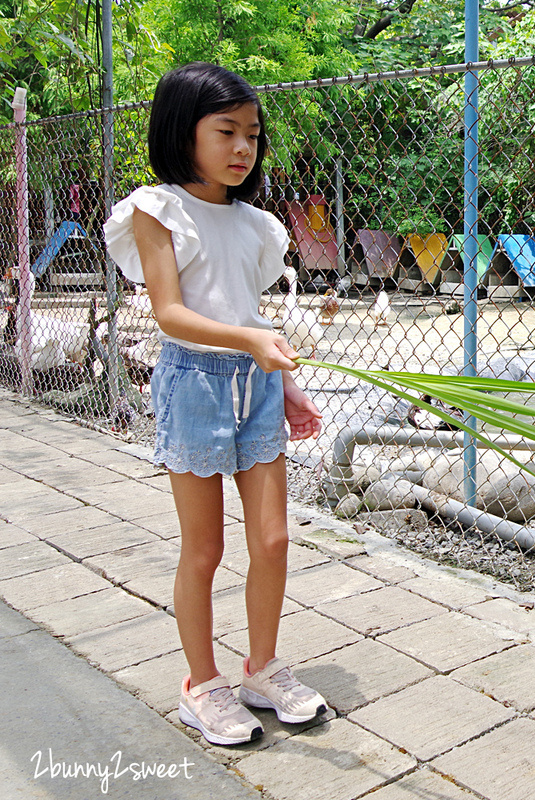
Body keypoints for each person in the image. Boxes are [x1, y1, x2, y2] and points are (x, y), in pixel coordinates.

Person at [103, 62, 327, 746]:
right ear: (182, 131)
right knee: (204, 550)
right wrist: (253, 342)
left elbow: (242, 307)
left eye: (253, 135)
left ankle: (261, 668)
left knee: (274, 540)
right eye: (225, 131)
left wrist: (282, 380)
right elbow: (170, 313)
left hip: (255, 387)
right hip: (195, 385)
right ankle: (202, 684)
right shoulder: (155, 210)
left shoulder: (256, 226)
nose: (242, 148)